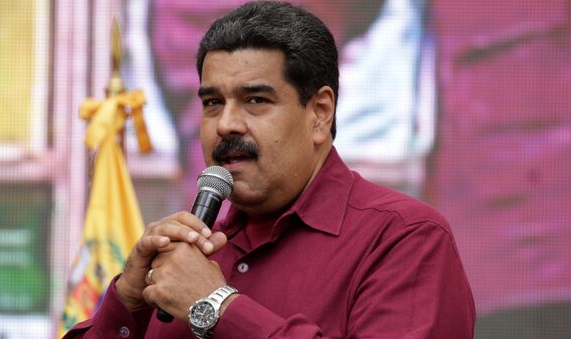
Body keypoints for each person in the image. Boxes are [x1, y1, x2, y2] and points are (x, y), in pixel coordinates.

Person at [64, 1, 475, 338]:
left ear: (319, 113)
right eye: (212, 102)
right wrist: (127, 301)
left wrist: (217, 306)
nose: (225, 124)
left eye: (255, 100)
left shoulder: (405, 239)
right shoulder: (183, 260)